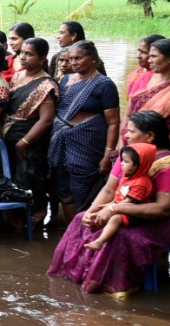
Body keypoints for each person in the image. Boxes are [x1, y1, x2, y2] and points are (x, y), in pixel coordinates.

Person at [49, 111, 170, 296]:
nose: (125, 135)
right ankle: (80, 276)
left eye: (132, 132)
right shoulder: (128, 155)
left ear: (149, 136)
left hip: (169, 221)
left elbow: (163, 209)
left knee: (121, 235)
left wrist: (113, 208)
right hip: (129, 211)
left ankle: (112, 286)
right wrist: (91, 212)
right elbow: (110, 189)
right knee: (80, 219)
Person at [48, 41, 121, 222]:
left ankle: (86, 229)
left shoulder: (104, 85)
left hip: (87, 144)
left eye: (79, 58)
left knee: (82, 186)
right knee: (62, 186)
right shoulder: (64, 81)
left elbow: (113, 122)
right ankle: (71, 231)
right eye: (71, 58)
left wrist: (107, 155)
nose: (73, 62)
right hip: (59, 141)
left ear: (94, 60)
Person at [4, 38, 59, 225]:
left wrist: (25, 142)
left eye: (30, 54)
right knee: (11, 177)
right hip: (11, 135)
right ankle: (13, 217)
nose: (24, 57)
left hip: (31, 140)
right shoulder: (18, 76)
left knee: (30, 178)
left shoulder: (46, 85)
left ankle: (34, 216)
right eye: (22, 53)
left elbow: (46, 120)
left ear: (42, 58)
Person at [81, 143, 157, 251]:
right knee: (99, 211)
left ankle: (100, 241)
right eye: (122, 160)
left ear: (138, 165)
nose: (121, 164)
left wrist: (111, 208)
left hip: (134, 214)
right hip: (121, 207)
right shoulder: (128, 177)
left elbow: (129, 202)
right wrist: (108, 205)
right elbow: (119, 196)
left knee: (115, 219)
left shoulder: (141, 183)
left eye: (126, 161)